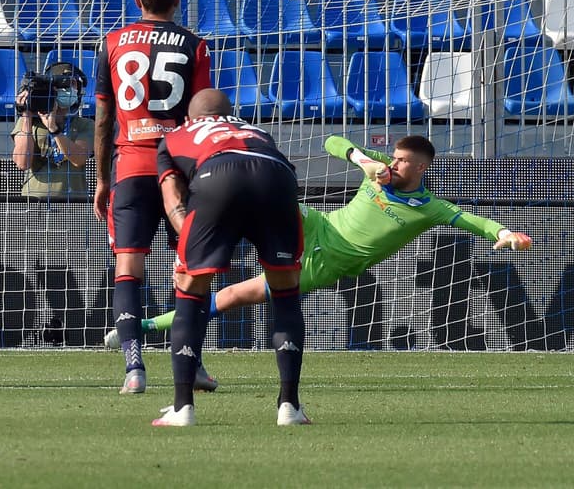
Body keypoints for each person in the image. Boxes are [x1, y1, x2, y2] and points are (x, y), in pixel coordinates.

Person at [107, 133, 534, 358]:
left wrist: (502, 234)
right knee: (263, 200)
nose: (394, 164)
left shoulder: (430, 207)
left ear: (421, 167)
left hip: (328, 263)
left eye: (402, 161)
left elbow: (472, 220)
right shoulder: (378, 168)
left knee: (236, 295)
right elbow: (332, 141)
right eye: (393, 158)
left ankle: (144, 329)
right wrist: (363, 160)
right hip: (317, 224)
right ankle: (201, 225)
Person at [150, 89, 306, 427]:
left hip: (217, 175)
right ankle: (290, 406)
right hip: (277, 177)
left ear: (191, 117)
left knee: (191, 289)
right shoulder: (257, 131)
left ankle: (182, 408)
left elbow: (172, 199)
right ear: (231, 113)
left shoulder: (176, 135)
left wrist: (189, 250)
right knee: (285, 291)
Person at [94, 0, 211, 394]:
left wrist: (103, 179)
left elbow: (104, 118)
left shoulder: (112, 43)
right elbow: (203, 118)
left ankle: (134, 369)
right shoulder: (195, 47)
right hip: (179, 169)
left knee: (128, 266)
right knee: (190, 267)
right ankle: (191, 364)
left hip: (131, 166)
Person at [11, 62, 93, 200]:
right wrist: (26, 116)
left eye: (73, 85)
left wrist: (53, 129)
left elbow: (79, 158)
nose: (71, 89)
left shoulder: (85, 125)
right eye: (65, 84)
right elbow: (22, 163)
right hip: (34, 204)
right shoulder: (29, 123)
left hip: (74, 206)